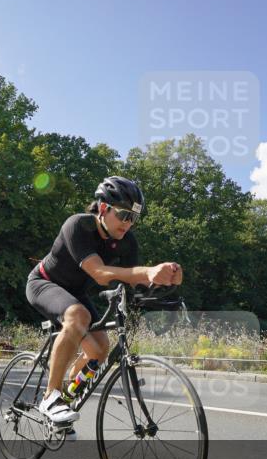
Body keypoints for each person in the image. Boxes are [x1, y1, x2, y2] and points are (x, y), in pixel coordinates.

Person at [25, 176, 182, 424]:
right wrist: (148, 271)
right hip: (44, 283)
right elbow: (100, 274)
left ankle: (64, 401)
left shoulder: (127, 243)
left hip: (76, 293)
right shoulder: (77, 225)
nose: (128, 224)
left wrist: (165, 285)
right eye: (123, 215)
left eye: (133, 218)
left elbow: (132, 284)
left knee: (100, 349)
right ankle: (50, 397)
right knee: (78, 315)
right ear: (102, 208)